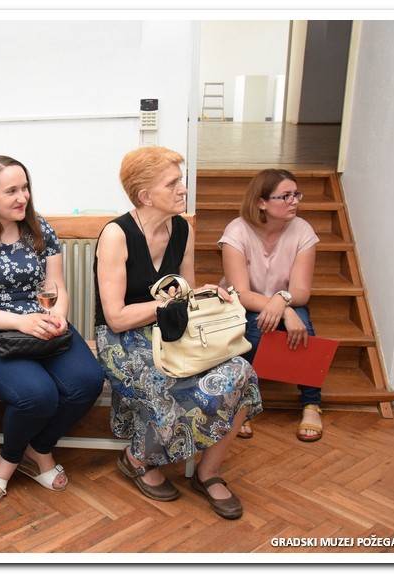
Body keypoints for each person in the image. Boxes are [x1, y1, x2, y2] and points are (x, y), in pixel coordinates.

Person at [94, 146, 262, 520]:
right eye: (172, 183)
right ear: (145, 195)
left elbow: (184, 291)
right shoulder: (116, 235)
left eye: (180, 181)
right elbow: (116, 317)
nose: (183, 189)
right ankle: (137, 457)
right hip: (123, 340)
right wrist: (166, 306)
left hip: (172, 333)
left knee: (243, 373)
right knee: (168, 383)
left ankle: (208, 472)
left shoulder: (182, 228)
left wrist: (205, 293)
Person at [0, 155, 105, 503]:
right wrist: (20, 321)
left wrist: (57, 315)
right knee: (37, 394)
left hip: (37, 326)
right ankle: (8, 462)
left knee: (87, 382)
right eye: (11, 191)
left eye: (25, 188)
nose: (22, 197)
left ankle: (36, 448)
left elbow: (56, 287)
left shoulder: (39, 227)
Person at [218, 168, 322, 442]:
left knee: (304, 326)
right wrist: (282, 308)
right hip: (244, 302)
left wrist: (283, 301)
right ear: (261, 202)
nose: (294, 201)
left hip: (286, 298)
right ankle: (242, 404)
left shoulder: (302, 230)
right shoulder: (237, 230)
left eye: (296, 194)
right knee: (256, 328)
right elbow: (240, 293)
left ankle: (311, 404)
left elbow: (301, 291)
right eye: (285, 196)